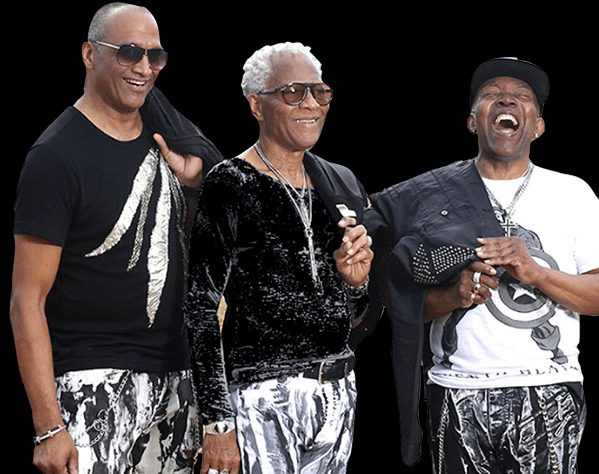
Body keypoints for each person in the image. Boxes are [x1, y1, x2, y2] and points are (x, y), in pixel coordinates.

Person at [11, 3, 222, 473]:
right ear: (90, 54)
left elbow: (202, 257)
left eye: (155, 56)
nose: (144, 67)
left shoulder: (169, 142)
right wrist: (48, 426)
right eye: (129, 52)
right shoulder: (55, 157)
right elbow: (26, 298)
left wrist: (194, 186)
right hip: (93, 380)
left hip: (177, 377)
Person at [365, 57, 599, 472]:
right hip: (455, 391)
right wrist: (452, 296)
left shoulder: (573, 193)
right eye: (491, 94)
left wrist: (537, 273)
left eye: (522, 96)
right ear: (473, 122)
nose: (506, 99)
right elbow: (397, 306)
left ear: (538, 126)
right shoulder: (427, 194)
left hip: (547, 389)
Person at [184, 42, 373, 474]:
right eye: (293, 92)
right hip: (261, 397)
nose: (311, 104)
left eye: (320, 92)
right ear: (257, 105)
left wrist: (355, 282)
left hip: (337, 390)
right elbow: (200, 307)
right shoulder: (231, 182)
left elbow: (356, 313)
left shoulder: (338, 183)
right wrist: (217, 423)